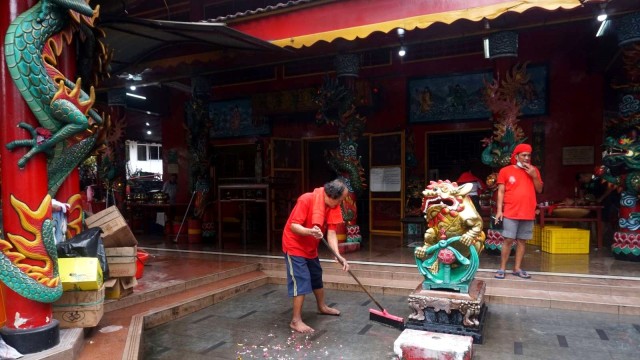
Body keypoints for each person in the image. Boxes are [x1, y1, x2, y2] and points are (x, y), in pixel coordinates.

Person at [282, 179, 350, 333]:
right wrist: (310, 231)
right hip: (294, 245)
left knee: (316, 275)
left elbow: (332, 232)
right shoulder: (306, 199)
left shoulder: (334, 206)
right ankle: (295, 320)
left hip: (310, 247)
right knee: (301, 279)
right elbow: (294, 226)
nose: (341, 202)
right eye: (340, 199)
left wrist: (338, 255)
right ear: (331, 196)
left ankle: (322, 307)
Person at [494, 144, 543, 279]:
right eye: (523, 155)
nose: (527, 158)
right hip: (511, 211)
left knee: (522, 241)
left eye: (528, 155)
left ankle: (517, 268)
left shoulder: (534, 171)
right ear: (516, 156)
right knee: (508, 239)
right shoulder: (505, 171)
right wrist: (499, 210)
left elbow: (539, 189)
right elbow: (501, 192)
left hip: (528, 211)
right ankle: (502, 268)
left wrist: (534, 175)